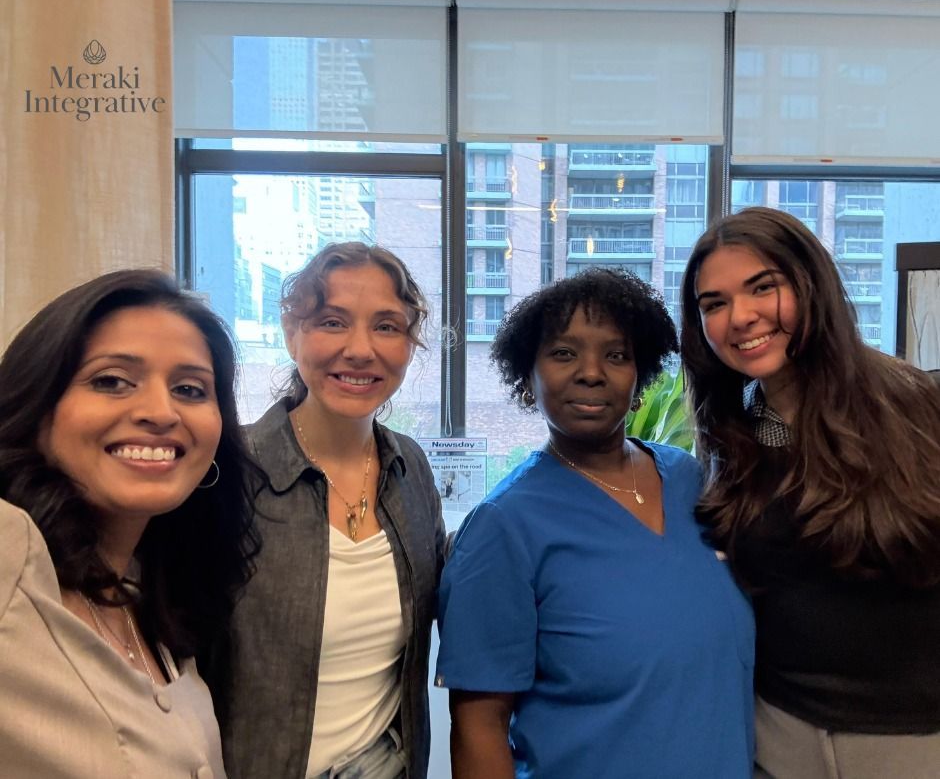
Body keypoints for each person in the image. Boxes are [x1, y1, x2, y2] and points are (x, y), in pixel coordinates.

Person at [436, 267, 755, 779]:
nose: (591, 372)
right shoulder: (504, 527)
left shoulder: (688, 480)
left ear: (641, 374)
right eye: (563, 353)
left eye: (616, 355)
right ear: (527, 377)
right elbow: (479, 728)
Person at [680, 206, 940, 778]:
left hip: (913, 740)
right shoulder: (733, 434)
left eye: (762, 288)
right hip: (778, 738)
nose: (740, 318)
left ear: (810, 284)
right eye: (714, 304)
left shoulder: (916, 406)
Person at [0, 269, 259, 778]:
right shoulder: (11, 560)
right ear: (38, 405)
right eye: (111, 381)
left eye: (190, 389)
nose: (161, 412)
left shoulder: (154, 600)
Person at [210, 242, 446, 779]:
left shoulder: (411, 467)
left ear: (410, 344)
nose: (361, 350)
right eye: (332, 322)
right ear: (292, 333)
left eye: (387, 326)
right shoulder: (227, 474)